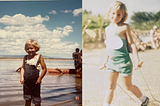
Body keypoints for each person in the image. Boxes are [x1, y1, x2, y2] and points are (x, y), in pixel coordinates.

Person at [103, 1, 149, 106]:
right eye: (113, 13)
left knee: (128, 86)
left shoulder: (125, 27)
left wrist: (136, 60)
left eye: (119, 14)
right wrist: (105, 61)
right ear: (109, 13)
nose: (115, 16)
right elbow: (109, 46)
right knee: (110, 87)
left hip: (124, 62)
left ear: (123, 15)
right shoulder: (107, 29)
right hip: (111, 62)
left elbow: (132, 44)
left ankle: (143, 99)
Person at [20, 39, 47, 106]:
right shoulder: (25, 57)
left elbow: (44, 69)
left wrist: (40, 78)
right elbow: (23, 68)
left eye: (31, 48)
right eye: (27, 48)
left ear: (36, 48)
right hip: (26, 83)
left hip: (35, 83)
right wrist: (21, 77)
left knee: (36, 100)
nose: (29, 50)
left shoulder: (39, 57)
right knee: (27, 99)